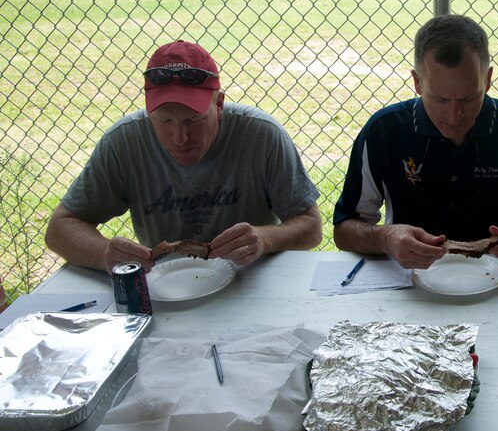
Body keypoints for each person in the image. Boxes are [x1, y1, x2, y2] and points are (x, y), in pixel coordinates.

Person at [45, 40, 322, 274]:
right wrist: (104, 253)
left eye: (193, 120)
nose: (179, 137)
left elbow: (311, 227)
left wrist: (263, 239)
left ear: (220, 105)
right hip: (168, 285)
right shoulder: (125, 141)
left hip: (248, 277)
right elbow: (60, 228)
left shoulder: (262, 135)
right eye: (164, 120)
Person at [333, 14, 498, 274]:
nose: (455, 116)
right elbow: (345, 229)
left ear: (487, 80)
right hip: (411, 278)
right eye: (440, 99)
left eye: (469, 98)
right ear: (417, 83)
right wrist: (386, 238)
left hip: (497, 277)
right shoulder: (385, 131)